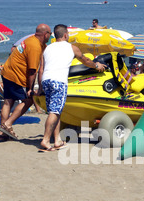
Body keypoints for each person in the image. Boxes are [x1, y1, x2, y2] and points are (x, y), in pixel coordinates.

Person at [39, 24, 107, 152]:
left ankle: (57, 140)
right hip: (59, 81)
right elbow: (85, 60)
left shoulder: (47, 49)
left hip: (46, 80)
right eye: (68, 34)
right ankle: (46, 140)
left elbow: (41, 69)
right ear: (65, 35)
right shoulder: (71, 48)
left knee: (55, 111)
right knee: (55, 112)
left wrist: (40, 86)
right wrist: (96, 66)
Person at [0, 23, 52, 142]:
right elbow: (32, 71)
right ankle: (7, 124)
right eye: (50, 34)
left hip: (7, 71)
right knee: (29, 100)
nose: (51, 36)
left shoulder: (33, 40)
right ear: (45, 34)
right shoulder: (35, 46)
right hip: (16, 75)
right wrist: (29, 88)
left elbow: (46, 51)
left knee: (8, 102)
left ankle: (3, 133)